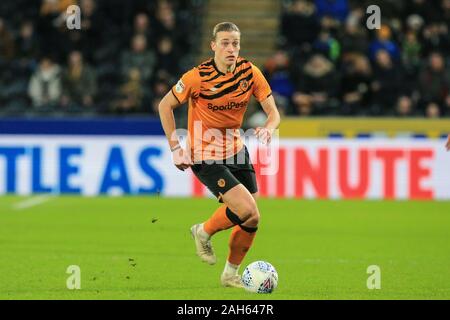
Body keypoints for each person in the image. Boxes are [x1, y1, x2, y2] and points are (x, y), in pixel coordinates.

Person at [158, 22, 280, 288]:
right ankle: (204, 231)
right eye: (225, 42)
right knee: (246, 209)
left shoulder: (250, 72)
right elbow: (164, 105)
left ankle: (229, 274)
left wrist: (269, 129)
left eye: (235, 43)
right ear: (213, 45)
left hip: (235, 150)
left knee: (253, 217)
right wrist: (176, 148)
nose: (231, 48)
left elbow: (274, 113)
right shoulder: (197, 77)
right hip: (203, 154)